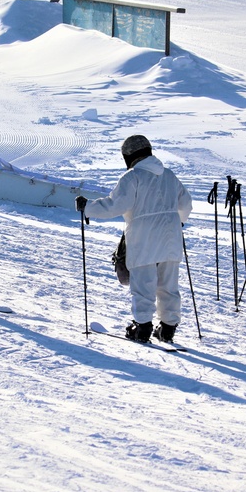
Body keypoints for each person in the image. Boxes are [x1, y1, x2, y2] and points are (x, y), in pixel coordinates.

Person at [76, 135, 193, 343]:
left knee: (144, 283)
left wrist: (88, 207)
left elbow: (114, 205)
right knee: (168, 283)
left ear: (129, 156)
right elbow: (186, 204)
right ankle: (167, 329)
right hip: (170, 236)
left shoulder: (132, 177)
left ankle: (142, 328)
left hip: (143, 237)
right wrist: (179, 222)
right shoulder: (169, 176)